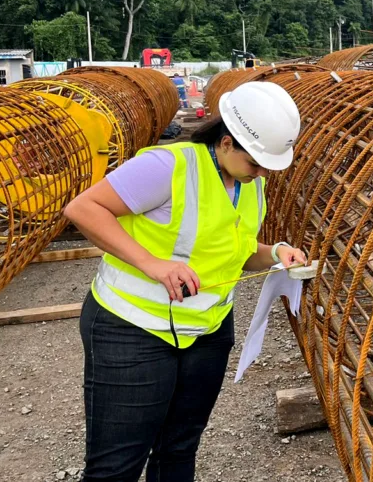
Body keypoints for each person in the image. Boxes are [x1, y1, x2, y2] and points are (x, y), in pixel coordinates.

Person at [64, 81, 304, 482]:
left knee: (178, 449)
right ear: (226, 142)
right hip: (133, 328)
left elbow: (236, 251)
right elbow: (84, 209)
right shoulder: (169, 167)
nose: (262, 172)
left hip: (207, 331)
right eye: (256, 163)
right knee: (116, 465)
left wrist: (276, 253)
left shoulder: (249, 184)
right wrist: (152, 264)